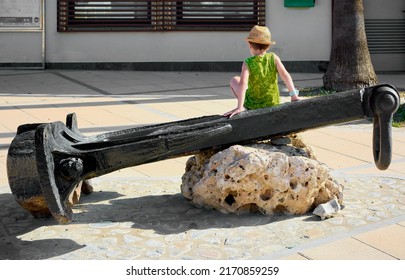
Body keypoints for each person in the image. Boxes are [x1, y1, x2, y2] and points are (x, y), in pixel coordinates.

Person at [224, 25, 300, 118]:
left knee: (234, 80)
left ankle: (244, 106)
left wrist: (239, 107)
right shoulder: (274, 57)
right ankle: (294, 95)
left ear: (250, 45)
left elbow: (243, 84)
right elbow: (285, 75)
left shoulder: (248, 62)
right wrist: (293, 95)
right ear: (268, 46)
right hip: (272, 102)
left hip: (253, 105)